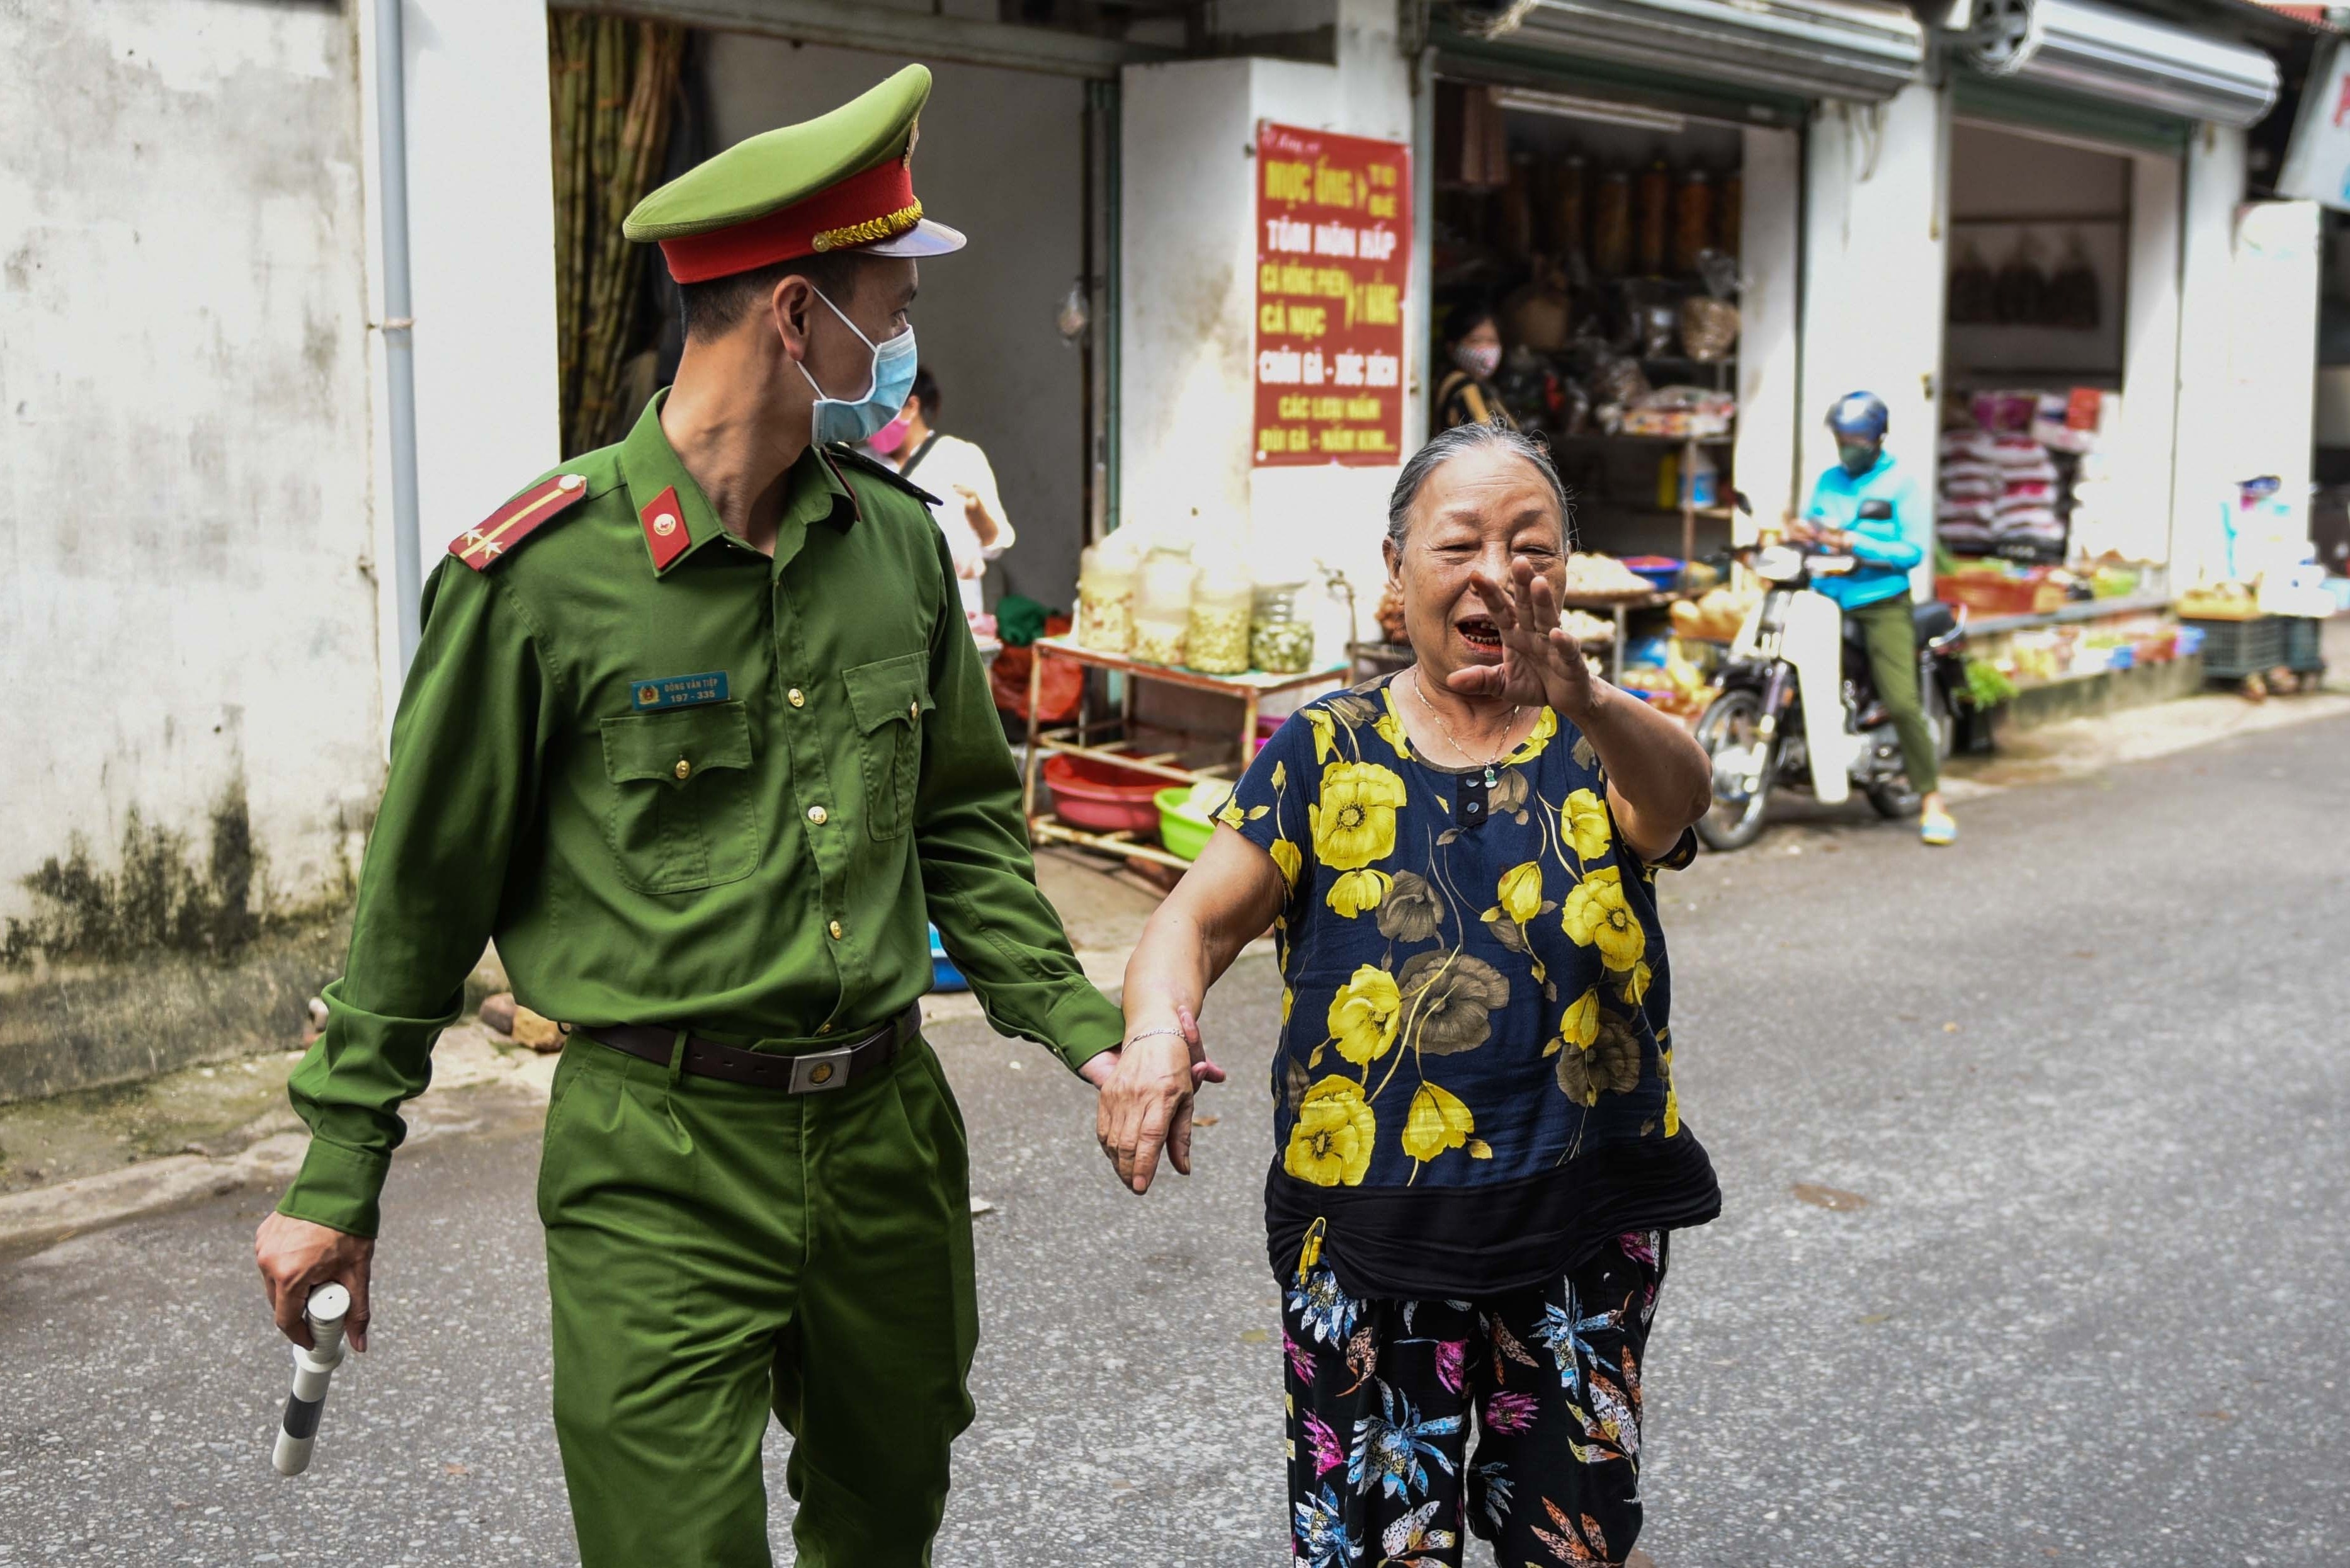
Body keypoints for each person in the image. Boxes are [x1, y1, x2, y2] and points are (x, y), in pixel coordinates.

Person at [252, 65, 1141, 1567]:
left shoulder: (899, 549)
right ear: (798, 315)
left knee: (887, 1517)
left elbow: (964, 827)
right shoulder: (537, 577)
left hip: (884, 1137)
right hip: (657, 1154)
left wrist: (1084, 1026)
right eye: (892, 302)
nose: (905, 341)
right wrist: (340, 1173)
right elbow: (422, 894)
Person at [1095, 420, 1721, 1567]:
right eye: (1460, 544)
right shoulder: (1323, 749)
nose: (1497, 574)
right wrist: (1152, 1036)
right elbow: (1193, 920)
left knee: (1570, 1548)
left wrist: (1588, 698)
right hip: (1368, 1241)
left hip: (1581, 1233)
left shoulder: (1602, 739)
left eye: (1530, 546)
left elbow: (1678, 800)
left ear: (1564, 571)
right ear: (1396, 571)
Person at [1791, 391, 1954, 846]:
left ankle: (1932, 800)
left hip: (1882, 602)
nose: (1848, 447)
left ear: (1878, 438)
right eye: (1842, 439)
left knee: (1901, 701)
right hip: (1826, 597)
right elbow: (1814, 528)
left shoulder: (1901, 484)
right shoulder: (1829, 480)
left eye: (1856, 440)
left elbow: (1912, 551)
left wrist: (1855, 542)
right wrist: (1804, 533)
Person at [870, 365, 1014, 616]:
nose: (871, 421)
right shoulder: (861, 462)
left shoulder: (960, 456)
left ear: (911, 407)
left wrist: (977, 512)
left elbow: (996, 544)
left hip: (953, 611)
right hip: (887, 611)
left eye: (878, 410)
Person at [1434, 302, 1516, 433]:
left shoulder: (1481, 385)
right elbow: (1487, 436)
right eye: (1475, 341)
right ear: (1452, 348)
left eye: (1492, 341)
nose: (1485, 350)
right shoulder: (1464, 387)